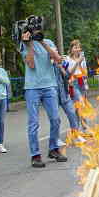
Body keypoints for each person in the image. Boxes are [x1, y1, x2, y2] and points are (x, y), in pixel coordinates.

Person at [19, 24, 63, 169]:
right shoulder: (24, 45)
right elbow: (31, 64)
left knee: (56, 119)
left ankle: (53, 149)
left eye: (37, 30)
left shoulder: (48, 42)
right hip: (32, 88)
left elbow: (58, 59)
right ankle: (35, 155)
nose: (36, 33)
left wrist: (42, 41)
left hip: (49, 85)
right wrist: (30, 44)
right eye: (33, 31)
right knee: (33, 123)